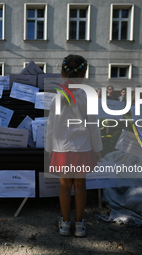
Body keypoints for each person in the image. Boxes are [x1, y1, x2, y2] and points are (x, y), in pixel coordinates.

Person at [46, 54, 103, 237]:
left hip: (61, 147)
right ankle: (79, 224)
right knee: (80, 185)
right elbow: (93, 126)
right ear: (84, 75)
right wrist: (97, 149)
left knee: (64, 185)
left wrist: (49, 149)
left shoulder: (56, 98)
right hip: (83, 147)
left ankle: (64, 223)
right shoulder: (87, 98)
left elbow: (50, 127)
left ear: (62, 74)